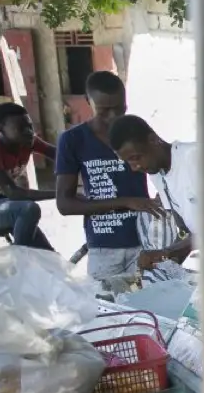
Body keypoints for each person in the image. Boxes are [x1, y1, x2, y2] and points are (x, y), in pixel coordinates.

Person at [54, 71, 163, 285]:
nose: (113, 117)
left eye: (120, 108)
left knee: (149, 308)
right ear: (89, 102)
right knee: (106, 309)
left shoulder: (135, 130)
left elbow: (161, 162)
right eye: (104, 110)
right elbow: (64, 204)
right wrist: (126, 202)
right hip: (104, 246)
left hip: (145, 242)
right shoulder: (72, 141)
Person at [108, 114, 199, 269]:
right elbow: (185, 231)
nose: (134, 167)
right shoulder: (157, 174)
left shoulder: (194, 158)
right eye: (128, 162)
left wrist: (167, 252)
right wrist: (164, 266)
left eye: (136, 158)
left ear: (153, 140)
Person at [0, 102, 56, 250]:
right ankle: (20, 262)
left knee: (49, 257)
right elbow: (14, 193)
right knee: (28, 209)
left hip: (7, 205)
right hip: (7, 204)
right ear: (0, 129)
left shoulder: (28, 142)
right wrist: (60, 194)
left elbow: (62, 156)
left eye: (30, 126)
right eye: (21, 128)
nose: (29, 132)